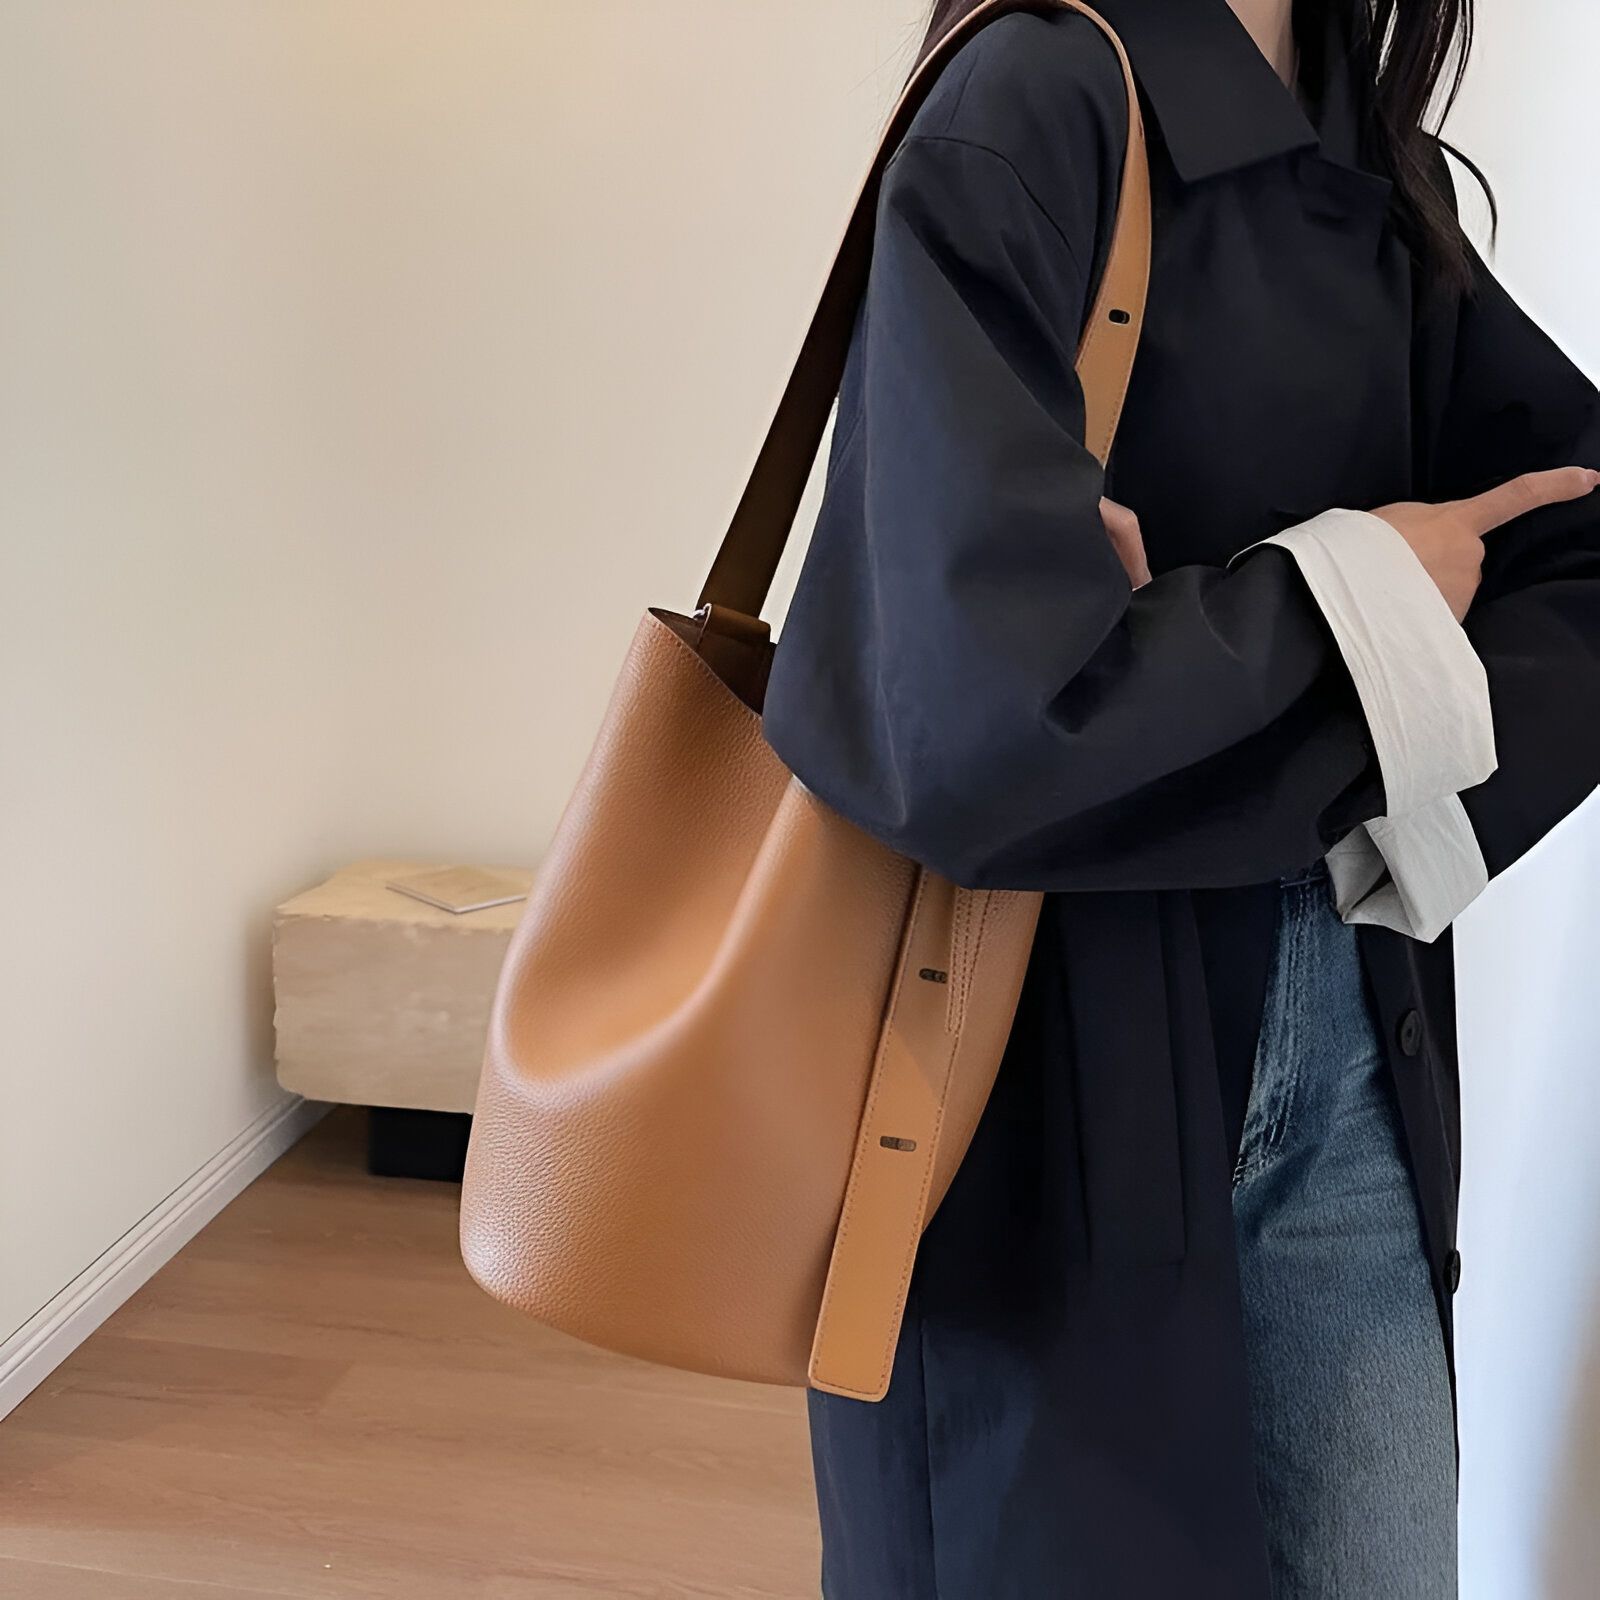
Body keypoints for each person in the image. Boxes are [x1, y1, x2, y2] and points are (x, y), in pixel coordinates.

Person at [759, 0, 1600, 1593]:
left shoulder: (1355, 134)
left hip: (1347, 1029)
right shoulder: (1032, 102)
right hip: (1034, 1054)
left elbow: (1569, 533)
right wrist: (1359, 595)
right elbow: (974, 722)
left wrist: (1368, 759)